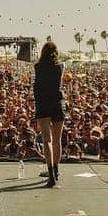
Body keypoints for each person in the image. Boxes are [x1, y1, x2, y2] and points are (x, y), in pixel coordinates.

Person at [34, 41, 65, 187]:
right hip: (57, 103)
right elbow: (59, 83)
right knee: (57, 140)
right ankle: (56, 170)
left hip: (42, 104)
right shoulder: (60, 67)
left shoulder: (37, 67)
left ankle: (51, 173)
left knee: (47, 140)